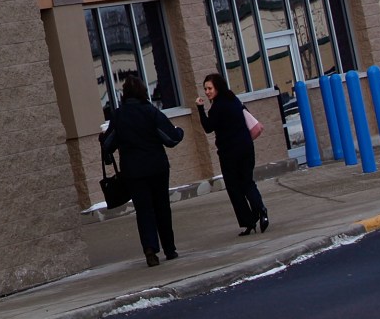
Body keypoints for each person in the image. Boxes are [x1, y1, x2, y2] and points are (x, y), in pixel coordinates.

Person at [102, 75, 186, 267]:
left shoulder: (118, 115)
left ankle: (150, 249)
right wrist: (179, 131)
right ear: (142, 91)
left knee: (144, 210)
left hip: (134, 172)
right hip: (157, 167)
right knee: (162, 207)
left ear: (124, 94)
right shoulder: (151, 112)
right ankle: (170, 248)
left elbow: (108, 144)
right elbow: (170, 138)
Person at [196, 72, 269, 236]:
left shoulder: (217, 107)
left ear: (217, 88)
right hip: (246, 148)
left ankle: (248, 221)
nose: (207, 92)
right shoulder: (234, 100)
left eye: (209, 88)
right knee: (248, 182)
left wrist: (200, 108)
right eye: (205, 89)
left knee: (234, 188)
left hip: (229, 153)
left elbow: (208, 127)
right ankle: (261, 210)